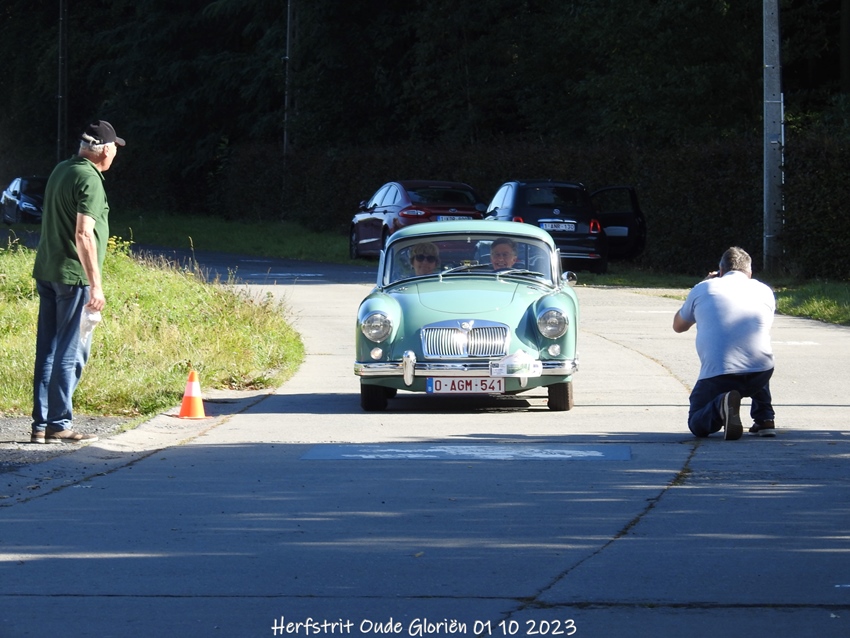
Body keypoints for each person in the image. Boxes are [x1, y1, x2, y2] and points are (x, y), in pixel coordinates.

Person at [30, 120, 126, 444]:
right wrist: (95, 284)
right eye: (114, 148)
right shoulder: (90, 180)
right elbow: (84, 234)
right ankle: (59, 423)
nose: (115, 154)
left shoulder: (62, 170)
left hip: (48, 270)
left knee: (47, 350)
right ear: (105, 151)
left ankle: (41, 424)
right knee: (70, 350)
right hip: (74, 276)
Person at [672, 246, 777, 440]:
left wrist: (702, 284)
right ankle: (765, 418)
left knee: (696, 422)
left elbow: (678, 326)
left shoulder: (704, 288)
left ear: (720, 270)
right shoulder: (765, 290)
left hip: (719, 376)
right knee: (754, 350)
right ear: (749, 272)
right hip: (760, 373)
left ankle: (721, 404)